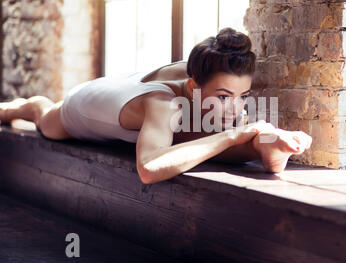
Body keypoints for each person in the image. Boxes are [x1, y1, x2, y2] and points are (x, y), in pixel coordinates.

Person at [0, 27, 312, 184]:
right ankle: (17, 108)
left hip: (134, 85)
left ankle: (271, 149)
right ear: (194, 86)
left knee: (206, 134)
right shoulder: (165, 105)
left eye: (243, 96)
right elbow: (148, 170)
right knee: (44, 119)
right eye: (223, 97)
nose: (236, 108)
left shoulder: (205, 71)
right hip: (82, 104)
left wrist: (263, 134)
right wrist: (235, 135)